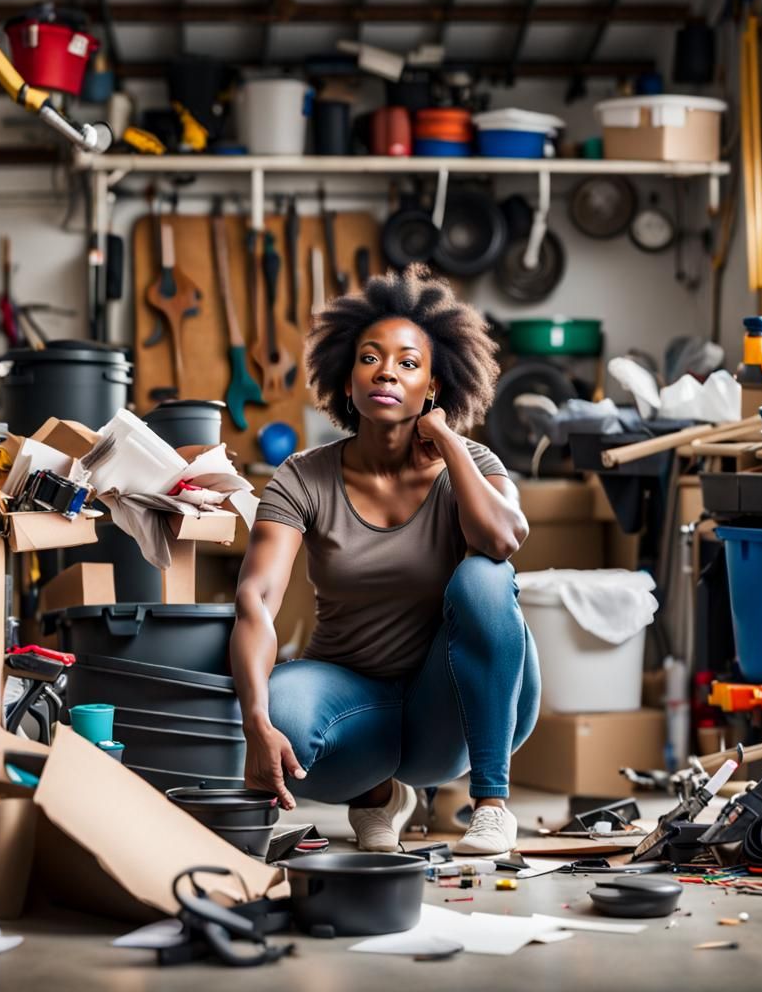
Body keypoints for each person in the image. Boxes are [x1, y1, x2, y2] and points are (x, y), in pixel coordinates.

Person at [229, 265, 540, 855]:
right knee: (286, 714)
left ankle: (492, 804)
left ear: (433, 387)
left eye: (407, 363)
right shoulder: (303, 475)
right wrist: (255, 718)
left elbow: (504, 541)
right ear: (347, 382)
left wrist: (448, 441)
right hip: (354, 699)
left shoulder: (470, 462)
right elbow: (257, 598)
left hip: (455, 702)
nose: (387, 373)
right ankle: (376, 796)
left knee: (482, 576)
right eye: (370, 358)